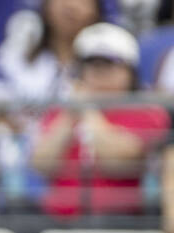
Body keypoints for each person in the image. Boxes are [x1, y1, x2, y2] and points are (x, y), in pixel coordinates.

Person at [30, 22, 169, 217]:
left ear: (130, 72)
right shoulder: (61, 112)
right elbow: (41, 165)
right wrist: (69, 117)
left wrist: (88, 112)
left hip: (119, 219)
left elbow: (121, 163)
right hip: (58, 217)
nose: (99, 72)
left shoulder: (146, 111)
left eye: (109, 64)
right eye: (91, 64)